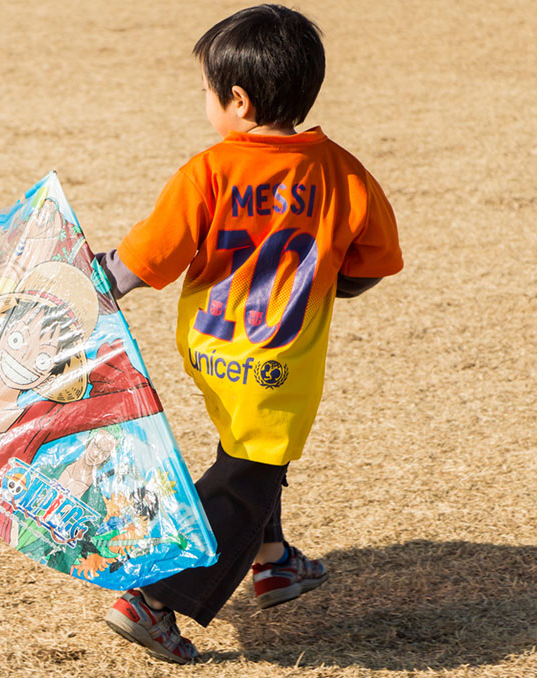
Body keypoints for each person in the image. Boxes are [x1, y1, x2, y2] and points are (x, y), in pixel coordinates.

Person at [93, 4, 403, 664]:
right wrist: (328, 280)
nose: (204, 102)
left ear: (237, 100)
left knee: (250, 444)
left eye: (206, 91)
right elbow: (376, 259)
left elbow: (148, 256)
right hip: (278, 359)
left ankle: (272, 560)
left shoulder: (208, 171)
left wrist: (101, 280)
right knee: (249, 474)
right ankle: (150, 598)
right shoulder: (342, 173)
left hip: (211, 349)